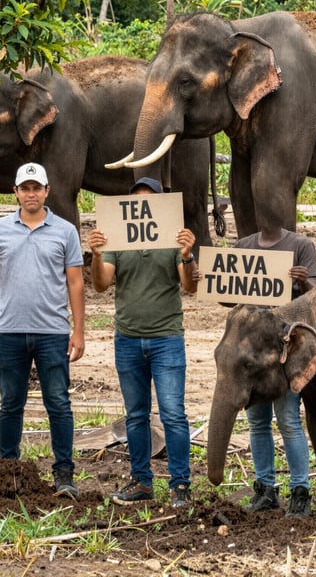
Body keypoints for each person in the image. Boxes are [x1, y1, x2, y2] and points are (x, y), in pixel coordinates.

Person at [0, 162, 86, 499]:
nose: (31, 193)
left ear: (47, 191)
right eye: (25, 188)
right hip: (10, 330)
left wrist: (78, 331)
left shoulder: (65, 231)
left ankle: (64, 473)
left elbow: (76, 282)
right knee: (10, 403)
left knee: (59, 403)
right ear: (16, 192)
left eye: (37, 187)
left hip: (52, 331)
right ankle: (9, 469)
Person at [88, 177, 199, 509]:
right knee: (136, 416)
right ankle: (141, 482)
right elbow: (101, 284)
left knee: (173, 414)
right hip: (128, 339)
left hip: (167, 339)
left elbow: (190, 288)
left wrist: (187, 255)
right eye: (137, 201)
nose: (142, 206)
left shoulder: (174, 239)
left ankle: (180, 485)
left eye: (149, 201)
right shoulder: (117, 240)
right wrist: (96, 254)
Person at [233, 225, 316, 517]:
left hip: (285, 351)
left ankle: (300, 492)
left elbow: (315, 297)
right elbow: (227, 294)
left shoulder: (300, 245)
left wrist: (305, 282)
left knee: (288, 420)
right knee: (257, 421)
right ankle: (265, 489)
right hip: (252, 353)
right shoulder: (243, 245)